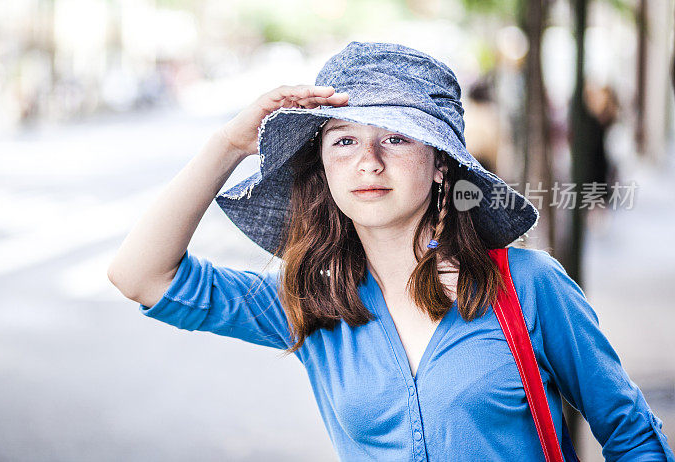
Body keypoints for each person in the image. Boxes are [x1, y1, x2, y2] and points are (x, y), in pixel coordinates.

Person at [107, 42, 674, 461]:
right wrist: (230, 142)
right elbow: (141, 275)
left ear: (440, 163)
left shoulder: (528, 286)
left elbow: (631, 433)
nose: (368, 162)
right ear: (323, 166)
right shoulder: (312, 301)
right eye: (345, 140)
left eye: (396, 138)